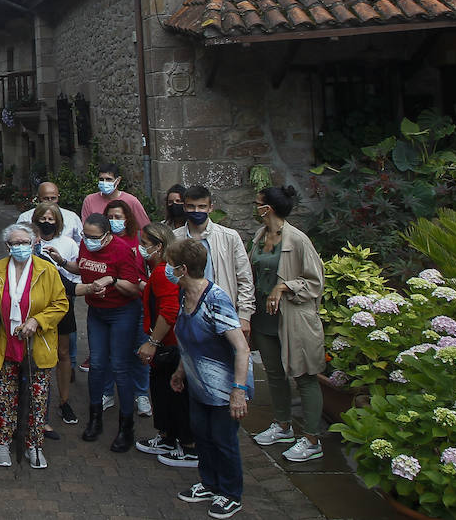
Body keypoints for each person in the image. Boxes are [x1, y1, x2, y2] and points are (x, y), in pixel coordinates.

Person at [169, 239, 251, 520]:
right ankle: (210, 483)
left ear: (182, 268)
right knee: (202, 435)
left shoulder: (215, 299)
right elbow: (191, 341)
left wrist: (238, 391)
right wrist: (181, 371)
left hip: (223, 388)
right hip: (197, 384)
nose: (167, 268)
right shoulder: (184, 295)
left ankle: (230, 494)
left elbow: (241, 347)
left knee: (223, 440)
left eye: (170, 264)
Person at [248, 184, 326, 463]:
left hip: (293, 317)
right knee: (274, 372)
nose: (255, 207)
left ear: (267, 208)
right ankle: (282, 425)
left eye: (257, 203)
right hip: (264, 317)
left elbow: (315, 282)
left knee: (304, 374)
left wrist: (283, 288)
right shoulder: (259, 236)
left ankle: (312, 438)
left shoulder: (298, 240)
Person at [0, 224, 69, 469]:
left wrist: (37, 320)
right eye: (15, 243)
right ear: (7, 246)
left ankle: (34, 444)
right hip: (6, 340)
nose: (20, 247)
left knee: (37, 397)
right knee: (4, 396)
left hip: (37, 342)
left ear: (34, 243)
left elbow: (60, 303)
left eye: (25, 242)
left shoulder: (47, 270)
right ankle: (3, 442)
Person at [75, 212, 146, 452]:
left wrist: (112, 280)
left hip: (121, 312)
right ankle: (95, 418)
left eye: (94, 237)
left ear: (106, 236)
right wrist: (63, 263)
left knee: (119, 366)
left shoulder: (122, 250)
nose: (88, 240)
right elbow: (81, 265)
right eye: (85, 236)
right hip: (97, 312)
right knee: (96, 364)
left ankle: (126, 426)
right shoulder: (85, 245)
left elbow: (134, 288)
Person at [135, 222, 198, 468]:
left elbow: (169, 310)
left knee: (173, 394)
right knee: (163, 393)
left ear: (158, 246)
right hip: (168, 344)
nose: (140, 248)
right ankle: (168, 437)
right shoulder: (159, 271)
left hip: (168, 346)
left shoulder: (162, 272)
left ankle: (188, 446)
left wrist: (152, 342)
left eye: (144, 244)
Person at [180, 186, 256, 339]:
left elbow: (245, 278)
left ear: (210, 208)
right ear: (184, 207)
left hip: (224, 313)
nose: (197, 211)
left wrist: (244, 316)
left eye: (202, 207)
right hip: (189, 312)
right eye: (191, 206)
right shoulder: (176, 238)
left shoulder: (229, 237)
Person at [32, 202, 81, 426]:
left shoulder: (68, 243)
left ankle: (64, 401)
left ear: (58, 222)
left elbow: (76, 274)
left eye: (51, 219)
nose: (47, 223)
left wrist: (60, 261)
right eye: (43, 218)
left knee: (63, 353)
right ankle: (35, 401)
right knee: (36, 354)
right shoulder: (29, 242)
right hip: (35, 307)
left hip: (62, 305)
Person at [80, 161, 152, 229]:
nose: (104, 182)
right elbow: (86, 227)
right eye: (101, 179)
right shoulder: (89, 200)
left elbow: (145, 227)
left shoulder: (131, 201)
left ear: (118, 180)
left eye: (108, 179)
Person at [16, 181, 84, 242]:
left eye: (53, 198)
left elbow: (80, 241)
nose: (50, 201)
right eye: (46, 198)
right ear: (38, 198)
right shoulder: (25, 217)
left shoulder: (71, 217)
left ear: (58, 197)